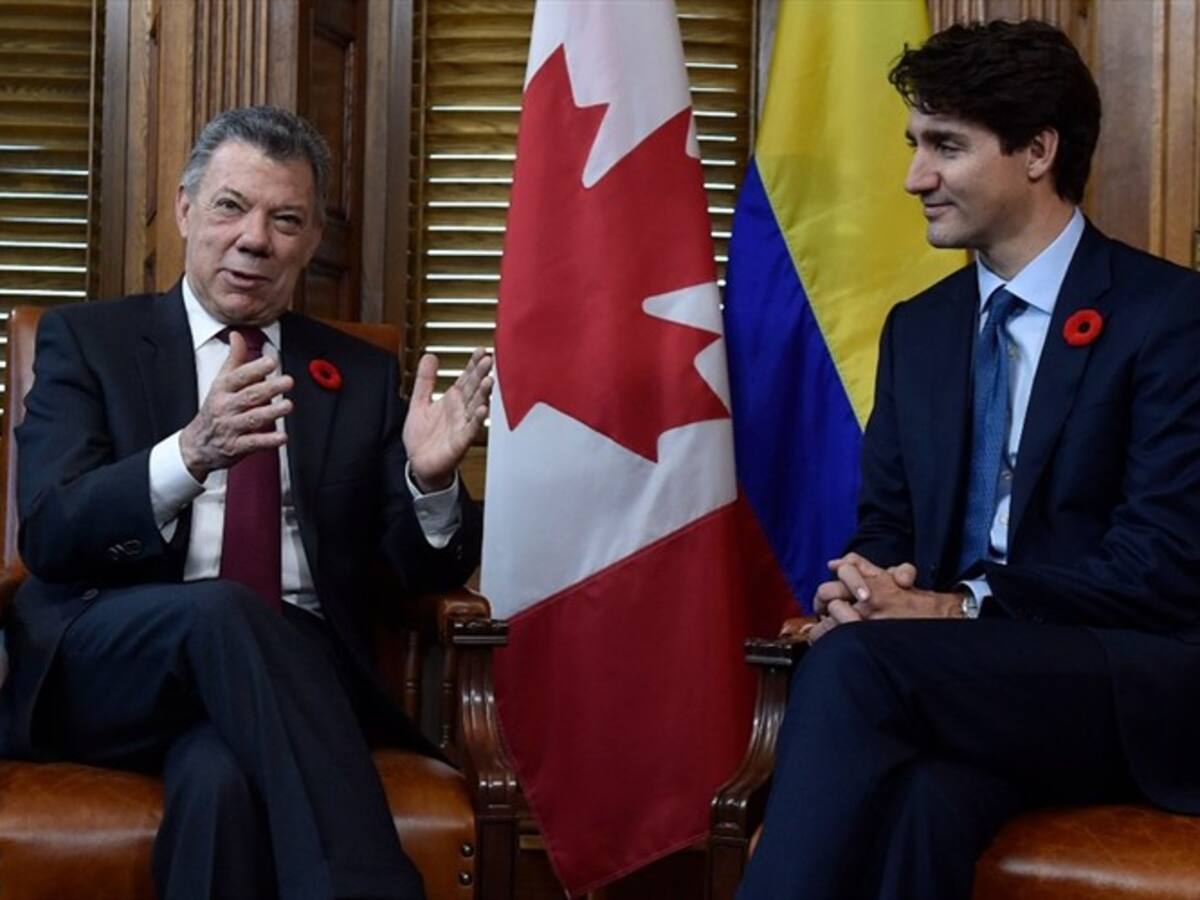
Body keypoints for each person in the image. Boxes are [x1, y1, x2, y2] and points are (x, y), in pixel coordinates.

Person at [736, 20, 1200, 900]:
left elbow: (1162, 567)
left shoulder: (1171, 317)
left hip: (1122, 681)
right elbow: (887, 521)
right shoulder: (921, 328)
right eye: (915, 145)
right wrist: (866, 585)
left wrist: (958, 608)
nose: (915, 177)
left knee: (853, 668)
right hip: (966, 690)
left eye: (945, 146)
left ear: (1036, 150)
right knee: (920, 806)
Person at [0, 105, 492, 900]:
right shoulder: (88, 343)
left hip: (283, 687)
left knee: (220, 780)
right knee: (223, 611)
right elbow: (52, 533)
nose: (255, 238)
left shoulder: (355, 377)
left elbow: (411, 568)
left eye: (285, 218)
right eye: (231, 205)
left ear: (311, 242)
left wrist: (429, 482)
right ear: (188, 208)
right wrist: (187, 456)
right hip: (116, 665)